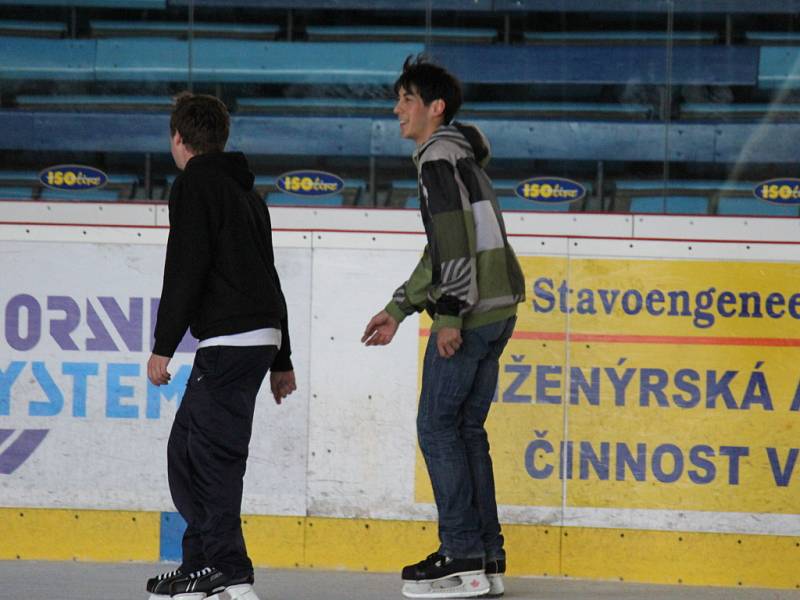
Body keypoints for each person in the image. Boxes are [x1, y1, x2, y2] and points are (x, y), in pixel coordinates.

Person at [361, 55, 525, 599]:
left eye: (407, 99)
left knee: (437, 430)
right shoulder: (462, 159)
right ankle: (486, 555)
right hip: (499, 311)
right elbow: (446, 246)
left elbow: (451, 247)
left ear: (436, 108)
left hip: (471, 316)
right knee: (466, 432)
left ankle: (460, 557)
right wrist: (401, 307)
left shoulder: (436, 162)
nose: (397, 109)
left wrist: (449, 314)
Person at [146, 92, 296, 600]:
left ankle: (229, 570)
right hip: (256, 337)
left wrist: (163, 345)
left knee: (211, 455)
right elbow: (271, 277)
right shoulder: (249, 196)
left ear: (178, 139)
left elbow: (186, 266)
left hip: (231, 341)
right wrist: (282, 356)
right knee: (186, 449)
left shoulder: (194, 186)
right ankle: (200, 564)